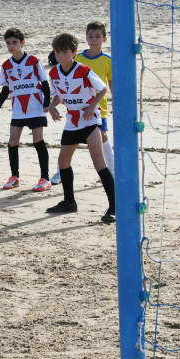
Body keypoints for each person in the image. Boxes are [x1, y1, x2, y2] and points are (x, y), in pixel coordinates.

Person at [44, 32, 116, 223]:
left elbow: (102, 89)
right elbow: (60, 93)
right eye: (57, 52)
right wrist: (52, 106)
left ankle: (114, 207)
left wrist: (92, 106)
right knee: (63, 162)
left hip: (91, 120)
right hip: (72, 122)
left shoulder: (83, 70)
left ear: (74, 52)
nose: (60, 56)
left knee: (99, 162)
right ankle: (69, 202)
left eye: (64, 52)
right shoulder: (54, 73)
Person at [0, 28, 52, 192]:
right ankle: (14, 177)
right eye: (8, 43)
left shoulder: (33, 61)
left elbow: (45, 84)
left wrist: (47, 103)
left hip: (35, 108)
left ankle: (45, 178)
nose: (11, 46)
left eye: (14, 43)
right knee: (12, 142)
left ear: (22, 43)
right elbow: (6, 90)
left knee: (37, 141)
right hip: (18, 110)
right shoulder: (6, 66)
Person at [78, 22, 115, 173]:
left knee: (102, 135)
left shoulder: (108, 60)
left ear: (104, 39)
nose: (93, 39)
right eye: (90, 36)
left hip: (100, 105)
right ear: (86, 38)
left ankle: (112, 168)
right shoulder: (78, 58)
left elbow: (111, 83)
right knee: (71, 140)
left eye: (97, 36)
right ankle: (60, 171)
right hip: (79, 104)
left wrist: (117, 101)